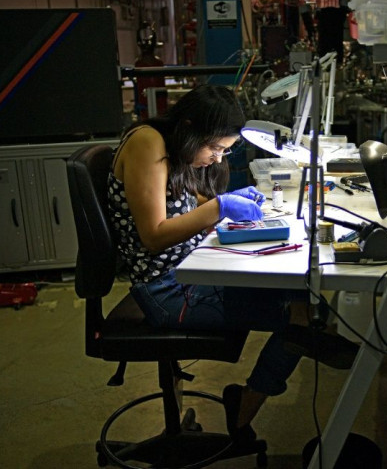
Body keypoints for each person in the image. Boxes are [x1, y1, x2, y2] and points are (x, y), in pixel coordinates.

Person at [107, 84, 358, 443]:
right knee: (300, 318)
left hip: (190, 271)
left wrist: (230, 206)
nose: (218, 159)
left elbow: (188, 201)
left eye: (225, 150)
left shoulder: (168, 146)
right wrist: (220, 207)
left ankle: (316, 345)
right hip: (166, 292)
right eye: (215, 148)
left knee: (303, 296)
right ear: (191, 126)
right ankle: (245, 406)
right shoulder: (148, 144)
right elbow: (154, 235)